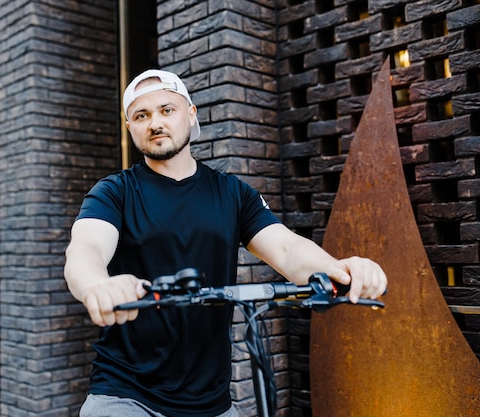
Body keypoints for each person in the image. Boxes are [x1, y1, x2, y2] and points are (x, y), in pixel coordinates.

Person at [64, 69, 387, 417]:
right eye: (141, 116)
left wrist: (339, 269)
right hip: (125, 395)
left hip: (212, 402)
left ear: (190, 114)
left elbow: (287, 249)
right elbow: (86, 248)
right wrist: (97, 285)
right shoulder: (115, 192)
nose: (155, 122)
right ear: (131, 127)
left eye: (166, 110)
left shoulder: (232, 193)